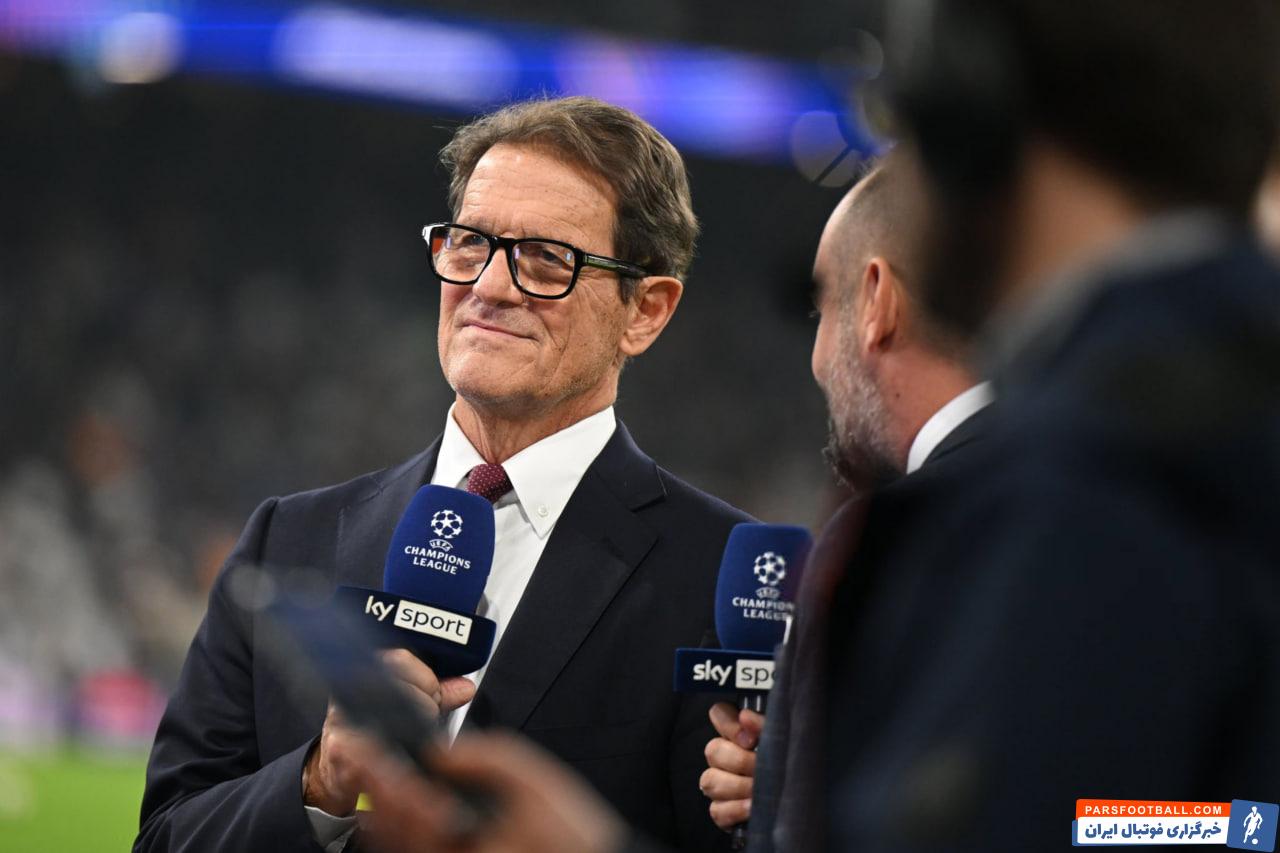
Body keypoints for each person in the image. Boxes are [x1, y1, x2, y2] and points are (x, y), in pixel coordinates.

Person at [136, 96, 749, 853]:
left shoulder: (722, 580)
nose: (489, 286)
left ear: (645, 311)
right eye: (469, 243)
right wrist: (318, 782)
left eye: (546, 259)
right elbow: (164, 838)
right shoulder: (287, 541)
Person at [818, 0, 1280, 848]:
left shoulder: (1083, 480)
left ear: (968, 113)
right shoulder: (1214, 422)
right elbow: (1199, 825)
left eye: (902, 125)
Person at [700, 153, 991, 852]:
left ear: (877, 301)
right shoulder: (1123, 500)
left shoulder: (890, 543)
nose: (817, 358)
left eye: (822, 308)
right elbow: (1196, 820)